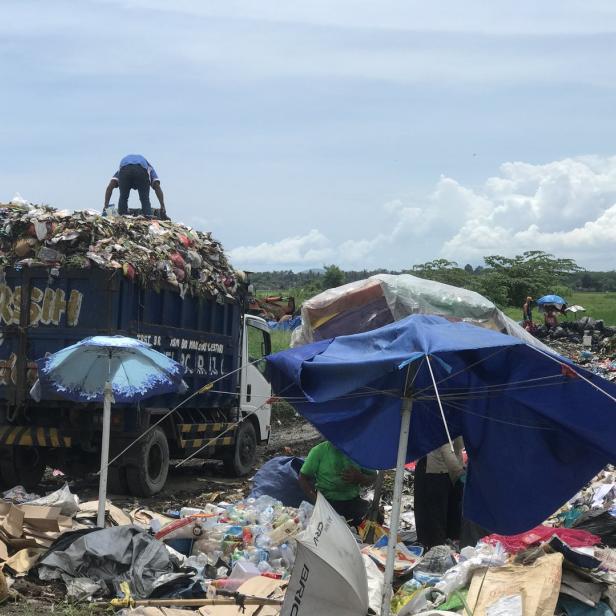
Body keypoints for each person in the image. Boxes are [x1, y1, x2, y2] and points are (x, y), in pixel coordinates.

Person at [298, 440, 376, 527]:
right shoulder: (319, 451)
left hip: (353, 501)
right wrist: (317, 502)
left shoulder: (359, 451)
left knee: (374, 520)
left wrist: (360, 477)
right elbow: (303, 477)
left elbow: (374, 477)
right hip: (327, 501)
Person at [413, 437, 465, 549]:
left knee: (441, 515)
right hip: (433, 470)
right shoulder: (442, 420)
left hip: (444, 472)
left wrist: (460, 471)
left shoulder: (455, 421)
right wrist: (459, 471)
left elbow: (458, 445)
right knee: (435, 516)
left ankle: (440, 547)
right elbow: (445, 446)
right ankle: (436, 548)